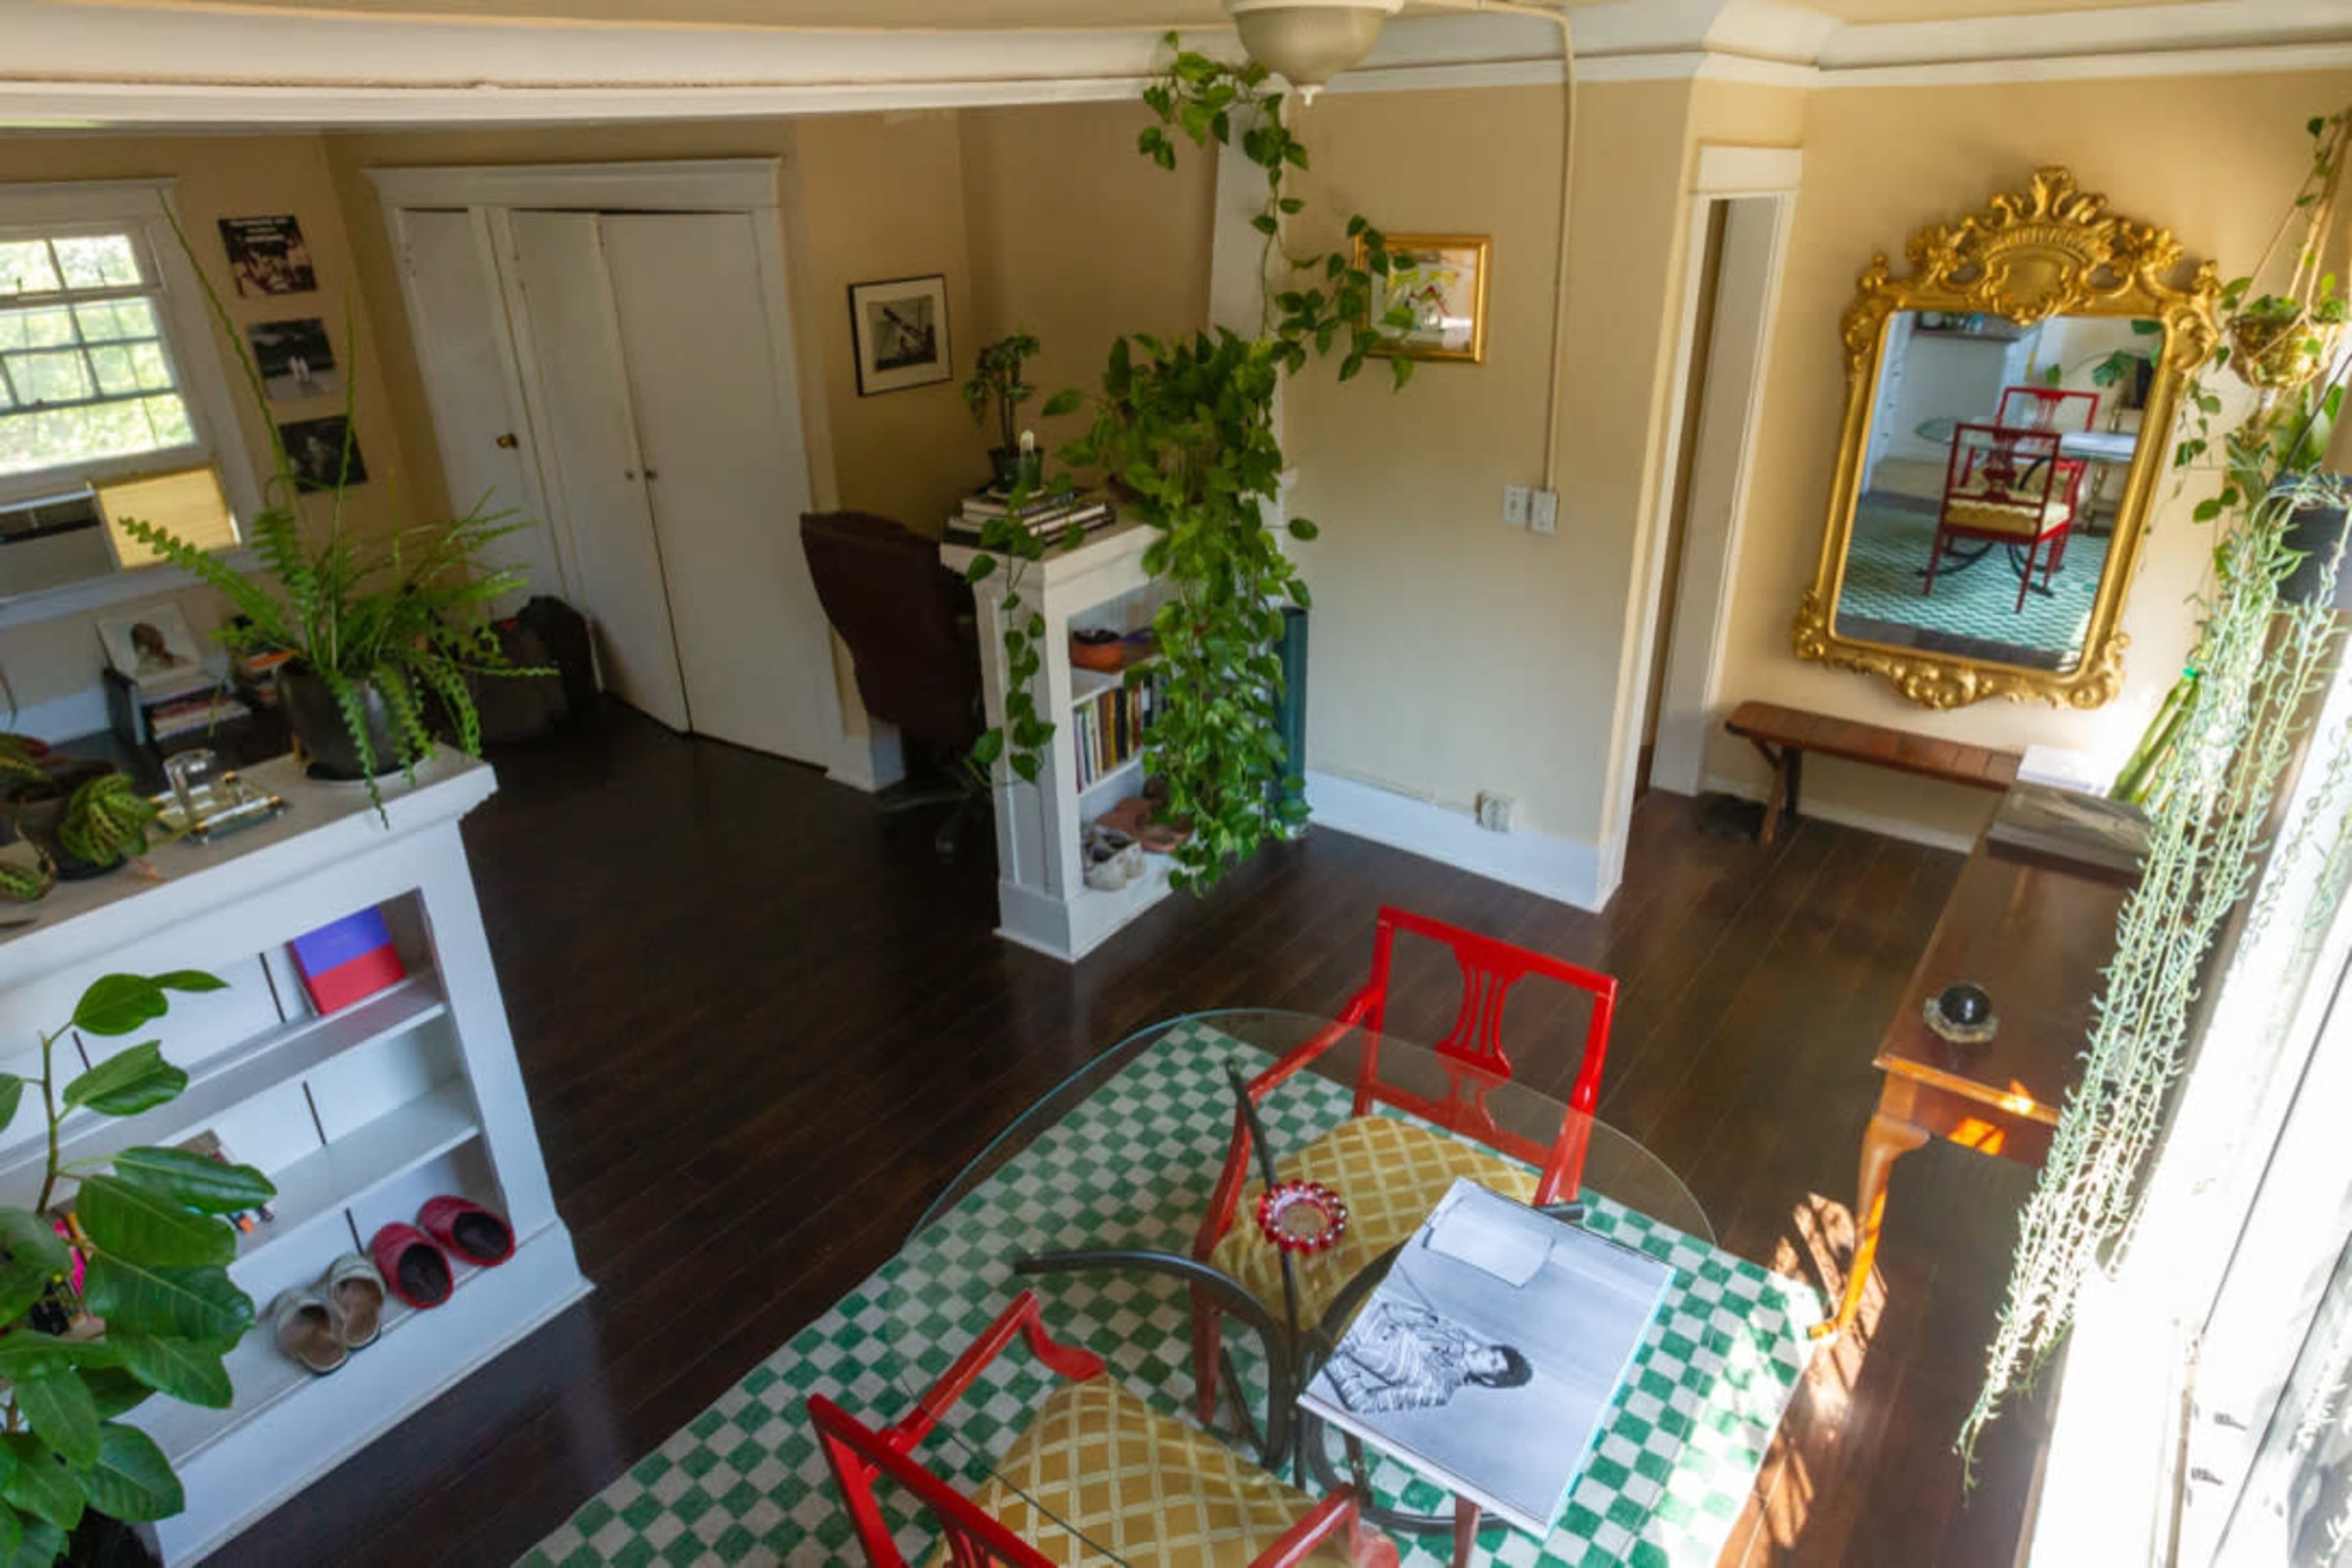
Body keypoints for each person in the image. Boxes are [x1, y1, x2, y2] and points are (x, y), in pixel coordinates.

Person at [1324, 1300, 1531, 1414]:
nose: (1484, 1352)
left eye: (1492, 1361)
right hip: (1359, 1301)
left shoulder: (1437, 1390)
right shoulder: (1456, 1336)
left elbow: (1363, 1403)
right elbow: (1388, 1311)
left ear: (1488, 1380)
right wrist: (1430, 1320)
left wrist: (1335, 1359)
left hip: (1334, 1332)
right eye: (1493, 1350)